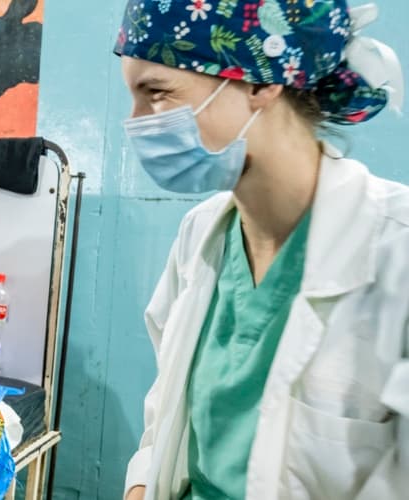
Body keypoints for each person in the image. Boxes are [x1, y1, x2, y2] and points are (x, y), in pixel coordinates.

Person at [114, 1, 407, 499]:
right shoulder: (200, 235)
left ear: (259, 83)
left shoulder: (393, 249)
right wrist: (142, 484)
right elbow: (167, 412)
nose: (136, 123)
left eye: (157, 93)